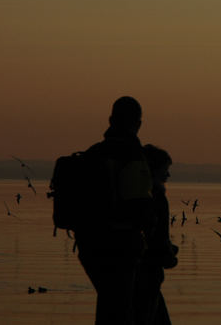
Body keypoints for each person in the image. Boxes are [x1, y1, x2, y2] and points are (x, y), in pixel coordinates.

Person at [76, 96, 155, 325]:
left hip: (88, 243)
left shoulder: (93, 153)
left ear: (111, 119)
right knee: (121, 311)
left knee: (109, 305)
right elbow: (139, 203)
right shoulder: (132, 154)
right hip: (120, 243)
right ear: (138, 123)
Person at [135, 144, 178, 325]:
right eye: (165, 170)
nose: (167, 175)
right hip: (147, 273)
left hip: (127, 271)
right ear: (154, 170)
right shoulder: (157, 197)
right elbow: (159, 240)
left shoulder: (133, 195)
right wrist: (169, 256)